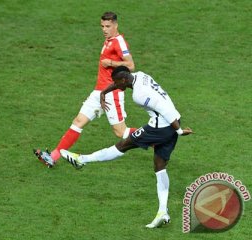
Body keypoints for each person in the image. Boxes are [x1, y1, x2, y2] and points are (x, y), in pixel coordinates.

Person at [60, 66, 193, 228]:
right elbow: (121, 84)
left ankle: (81, 159)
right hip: (173, 120)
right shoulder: (140, 76)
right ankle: (163, 212)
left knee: (123, 145)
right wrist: (104, 93)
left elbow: (162, 107)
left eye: (116, 82)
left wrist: (178, 130)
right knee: (160, 166)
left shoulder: (138, 95)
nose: (116, 86)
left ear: (124, 79)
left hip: (163, 126)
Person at [34, 11, 137, 167]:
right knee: (78, 121)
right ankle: (53, 157)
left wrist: (111, 63)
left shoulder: (119, 41)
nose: (104, 29)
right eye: (102, 26)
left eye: (108, 26)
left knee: (120, 132)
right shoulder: (108, 40)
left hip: (112, 92)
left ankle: (156, 137)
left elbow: (130, 65)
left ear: (116, 25)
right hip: (98, 92)